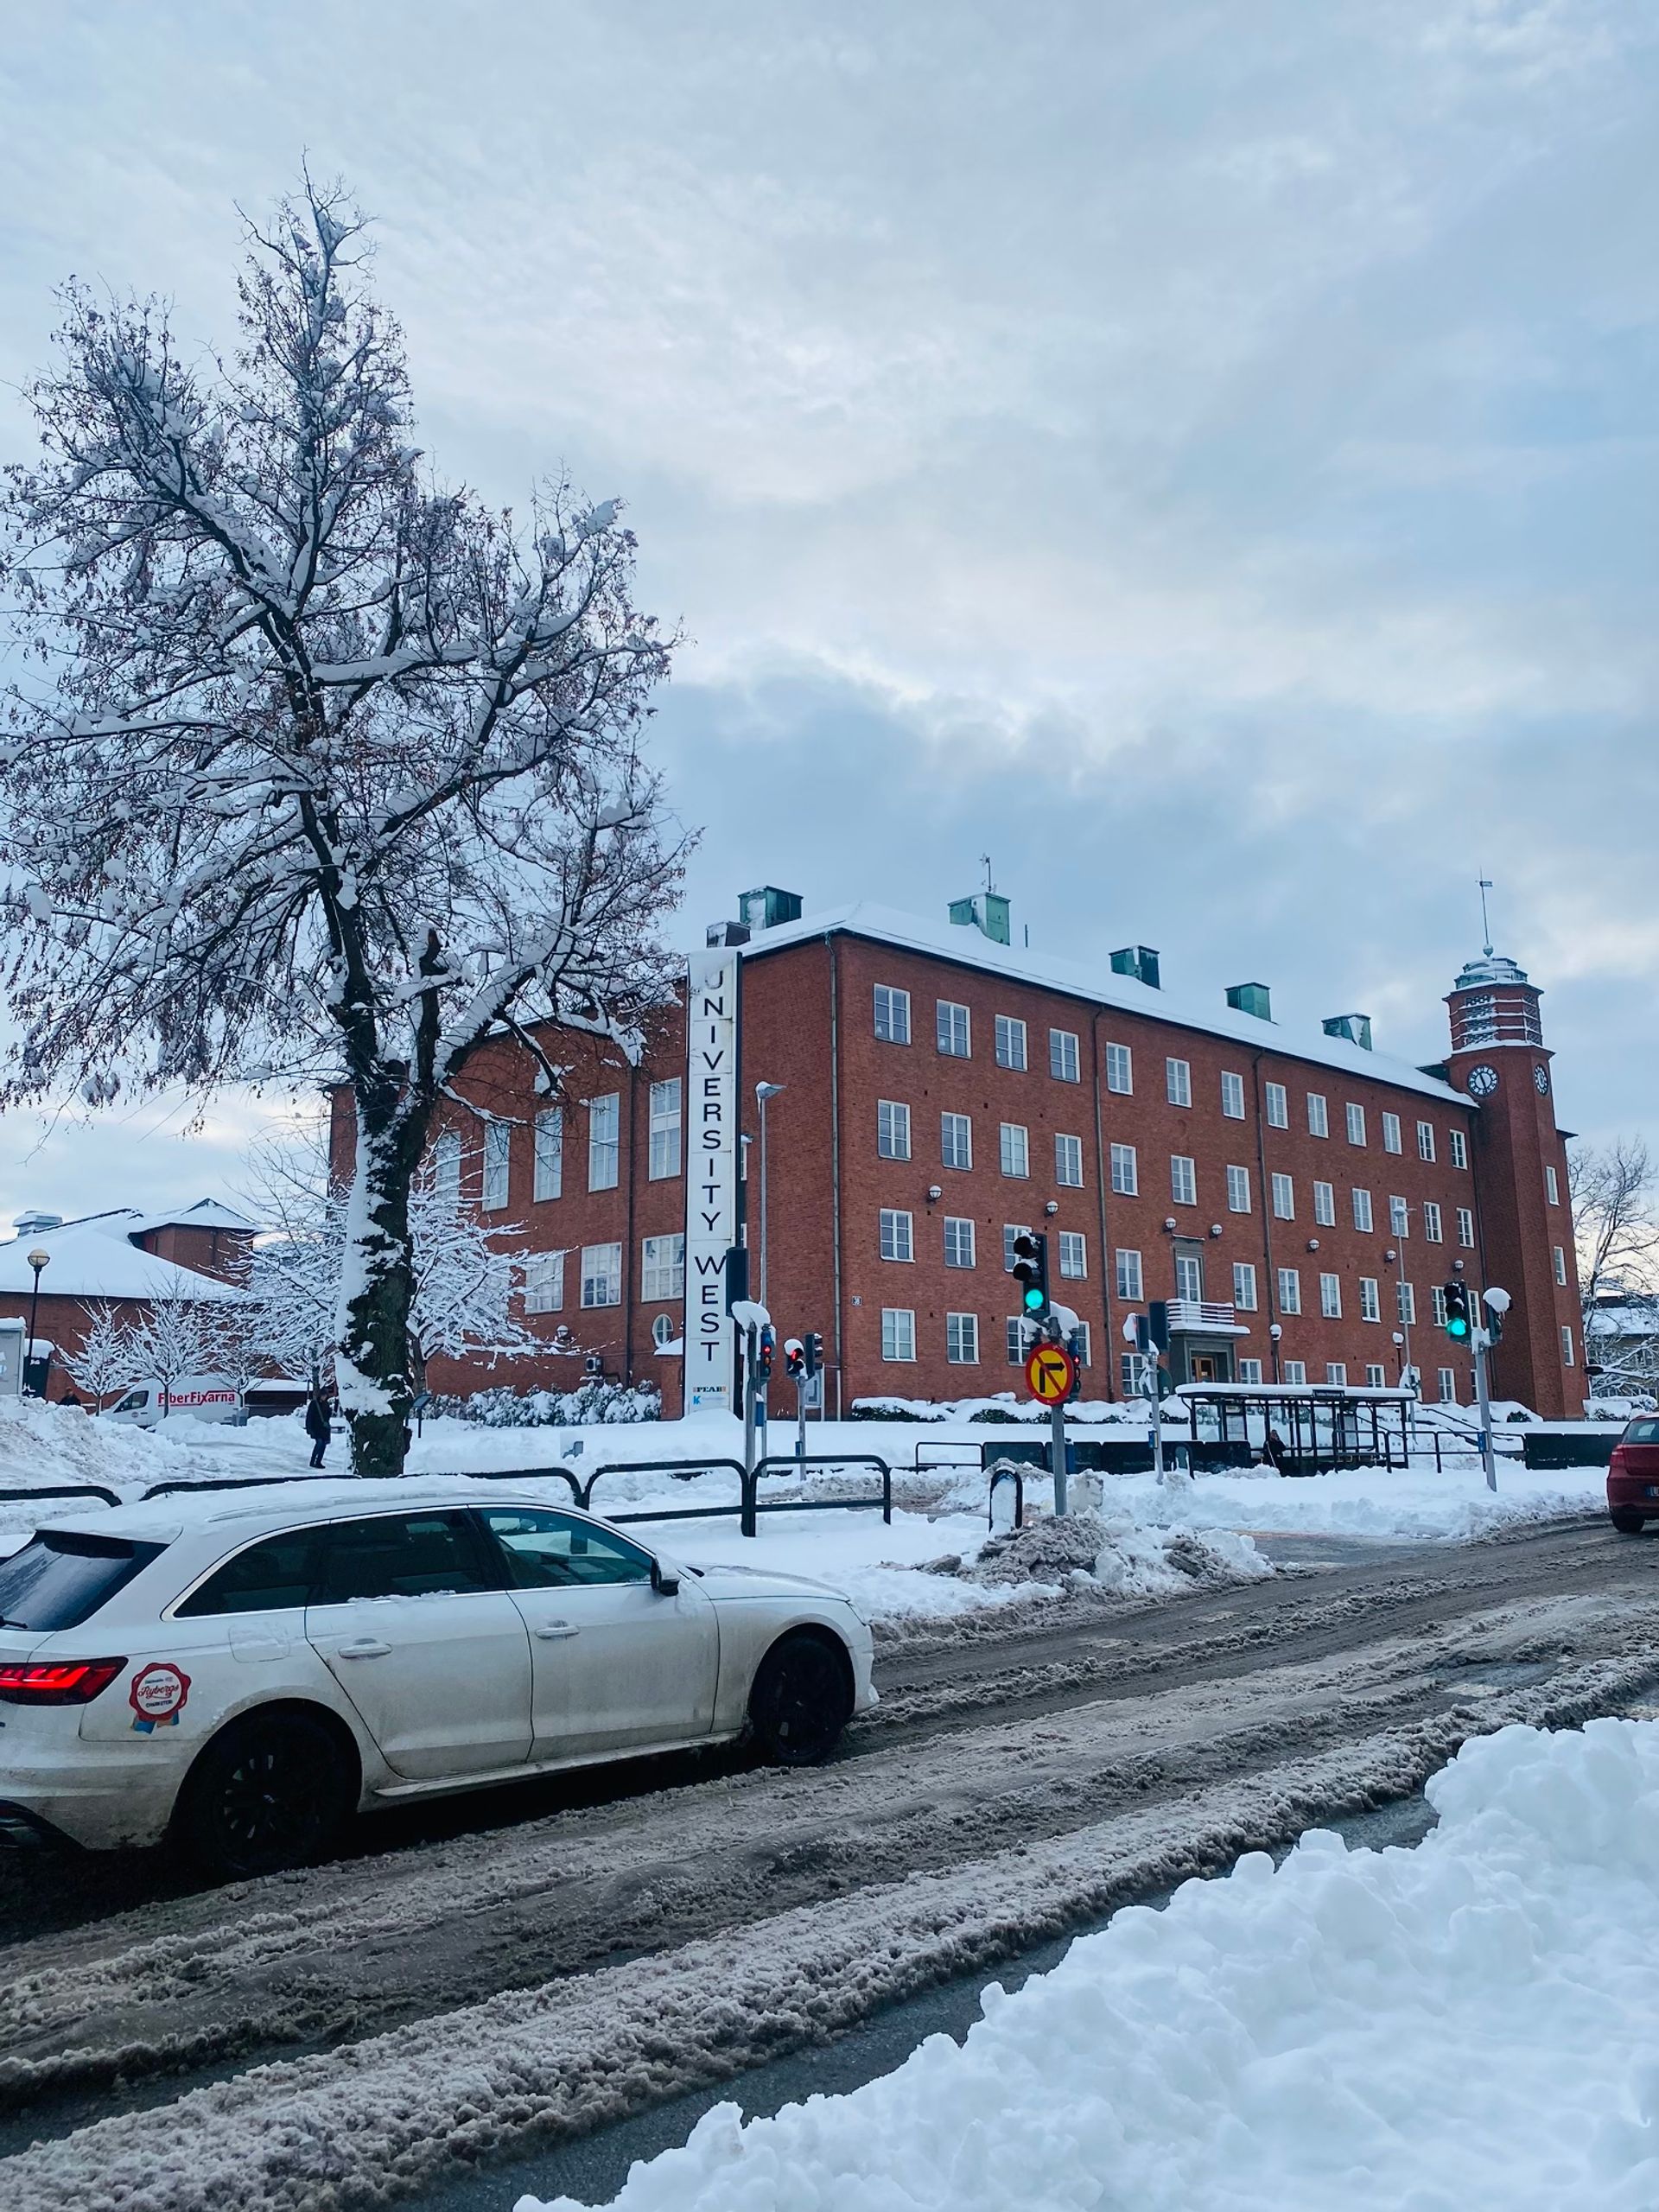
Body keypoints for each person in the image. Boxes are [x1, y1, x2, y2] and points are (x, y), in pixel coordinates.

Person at [305, 1389, 331, 1469]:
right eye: (323, 1395)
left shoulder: (326, 1404)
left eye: (325, 1395)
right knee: (319, 1443)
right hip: (316, 1428)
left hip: (324, 1429)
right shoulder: (314, 1404)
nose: (324, 1397)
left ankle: (318, 1461)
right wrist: (309, 1429)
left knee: (323, 1445)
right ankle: (313, 1461)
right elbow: (309, 1416)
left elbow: (327, 1416)